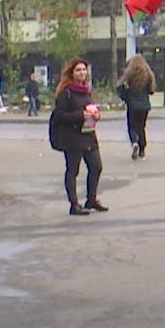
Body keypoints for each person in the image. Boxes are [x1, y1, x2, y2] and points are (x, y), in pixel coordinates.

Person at [49, 58, 107, 215]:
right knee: (73, 170)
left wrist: (95, 115)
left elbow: (89, 109)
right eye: (78, 70)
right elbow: (59, 116)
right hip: (72, 137)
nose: (82, 73)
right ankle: (74, 204)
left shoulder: (86, 90)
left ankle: (92, 199)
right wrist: (80, 115)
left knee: (96, 166)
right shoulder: (65, 93)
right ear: (71, 73)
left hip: (88, 134)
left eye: (84, 70)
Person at [117, 55, 157, 160]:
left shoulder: (129, 75)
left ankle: (134, 142)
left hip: (132, 104)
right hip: (144, 105)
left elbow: (120, 87)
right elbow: (151, 91)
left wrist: (125, 97)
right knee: (141, 127)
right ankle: (142, 149)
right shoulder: (148, 75)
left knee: (132, 126)